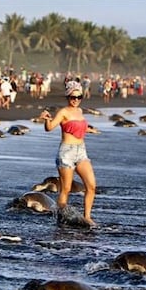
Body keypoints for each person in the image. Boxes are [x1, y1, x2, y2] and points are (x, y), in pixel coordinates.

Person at [40, 81, 98, 227]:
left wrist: (89, 130)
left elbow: (77, 128)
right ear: (68, 96)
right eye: (73, 97)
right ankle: (60, 218)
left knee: (91, 186)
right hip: (66, 152)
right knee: (65, 189)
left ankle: (87, 217)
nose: (76, 100)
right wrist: (47, 119)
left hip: (81, 151)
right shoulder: (63, 112)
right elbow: (50, 128)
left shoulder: (79, 111)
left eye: (79, 97)